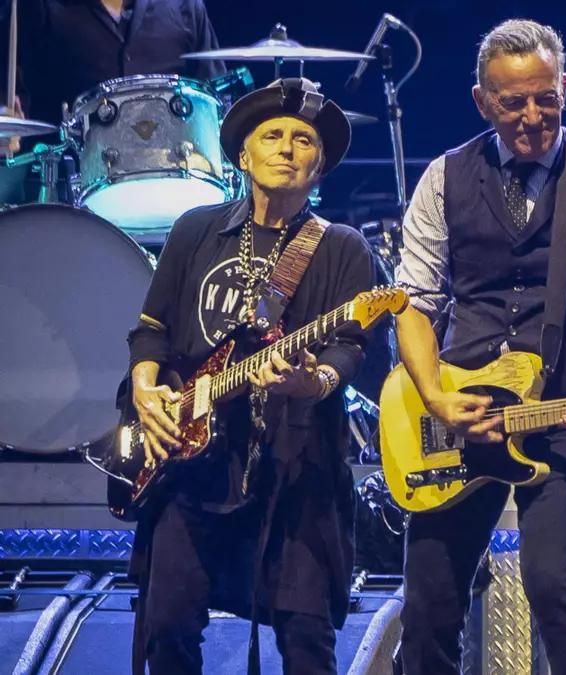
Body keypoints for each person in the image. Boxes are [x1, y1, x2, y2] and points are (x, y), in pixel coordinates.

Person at [391, 18, 566, 675]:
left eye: (547, 98)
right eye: (514, 102)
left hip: (565, 409)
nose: (533, 116)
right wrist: (436, 399)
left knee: (553, 580)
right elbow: (415, 304)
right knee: (428, 600)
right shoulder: (444, 176)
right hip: (461, 411)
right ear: (482, 101)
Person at [125, 77, 372, 674]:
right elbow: (151, 330)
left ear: (320, 167)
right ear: (243, 156)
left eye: (303, 140)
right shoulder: (195, 230)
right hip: (193, 464)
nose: (287, 147)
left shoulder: (343, 247)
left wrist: (311, 382)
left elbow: (350, 349)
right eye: (272, 136)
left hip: (295, 467)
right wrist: (145, 389)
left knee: (307, 642)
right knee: (167, 628)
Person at [1, 0, 224, 126]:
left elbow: (216, 97)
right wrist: (7, 121)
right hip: (75, 178)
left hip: (178, 172)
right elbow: (7, 92)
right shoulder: (34, 7)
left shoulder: (185, 6)